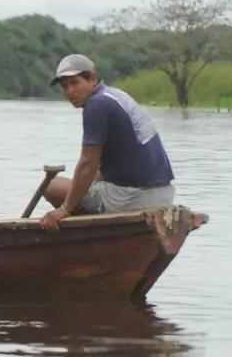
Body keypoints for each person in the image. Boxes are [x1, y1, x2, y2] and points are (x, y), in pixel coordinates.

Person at [39, 53, 176, 231]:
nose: (69, 91)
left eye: (75, 83)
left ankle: (91, 234)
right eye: (64, 86)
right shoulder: (114, 96)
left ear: (93, 79)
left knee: (51, 186)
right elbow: (99, 167)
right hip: (163, 193)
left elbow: (88, 164)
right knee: (84, 186)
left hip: (134, 197)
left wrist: (65, 209)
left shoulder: (96, 105)